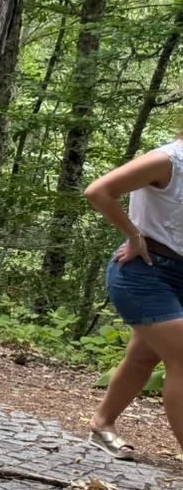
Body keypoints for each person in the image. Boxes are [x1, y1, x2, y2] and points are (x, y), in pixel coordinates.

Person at [83, 134, 183, 457]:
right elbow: (98, 191)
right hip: (143, 273)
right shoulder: (167, 161)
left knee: (143, 357)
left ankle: (102, 424)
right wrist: (134, 234)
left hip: (177, 277)